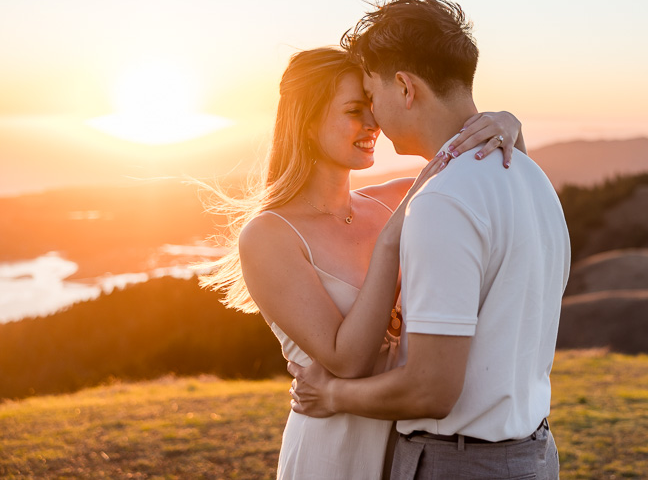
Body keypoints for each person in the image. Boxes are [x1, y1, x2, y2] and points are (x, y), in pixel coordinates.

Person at [198, 45, 524, 479]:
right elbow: (346, 359)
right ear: (306, 121)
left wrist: (510, 129)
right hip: (334, 454)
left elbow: (505, 191)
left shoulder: (397, 197)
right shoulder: (269, 235)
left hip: (417, 452)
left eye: (372, 106)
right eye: (355, 110)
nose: (374, 123)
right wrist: (390, 242)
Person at [288, 0, 571, 479]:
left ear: (405, 87)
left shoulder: (441, 201)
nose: (373, 115)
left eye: (372, 96)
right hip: (532, 455)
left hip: (460, 464)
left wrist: (331, 393)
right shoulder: (531, 176)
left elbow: (430, 390)